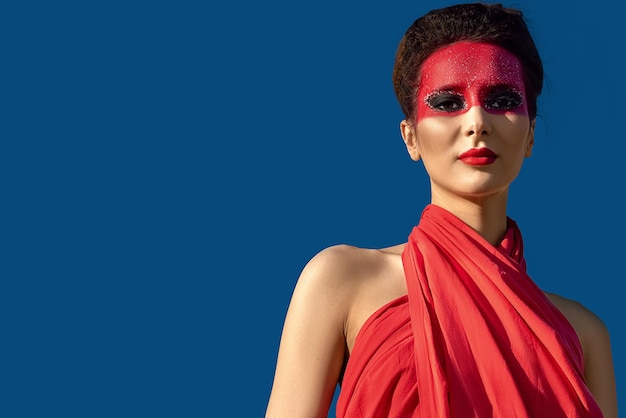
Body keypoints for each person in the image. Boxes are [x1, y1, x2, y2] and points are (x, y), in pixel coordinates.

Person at [265, 2, 618, 417]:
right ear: (410, 138)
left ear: (530, 136)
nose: (477, 121)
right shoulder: (343, 280)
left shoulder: (581, 333)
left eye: (501, 98)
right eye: (448, 102)